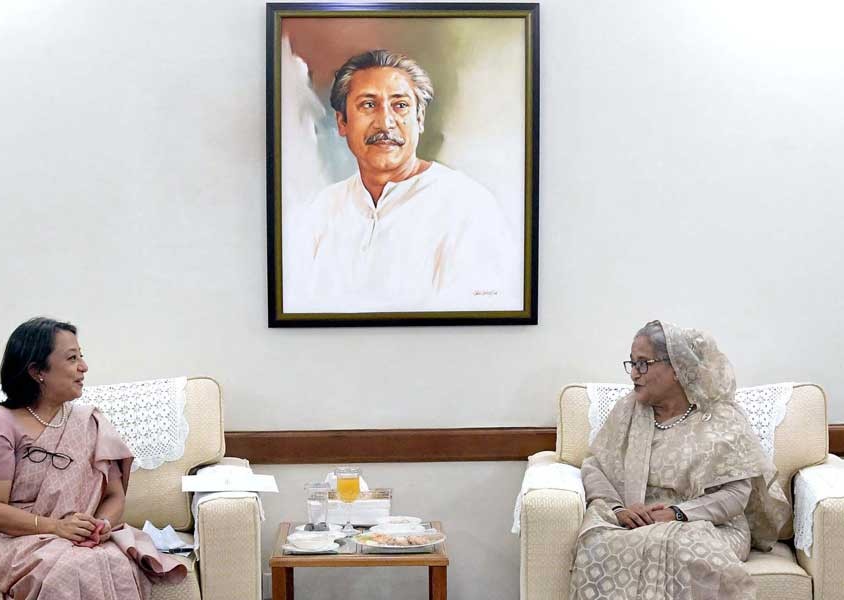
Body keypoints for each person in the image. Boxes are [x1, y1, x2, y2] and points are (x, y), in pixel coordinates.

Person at [570, 320, 791, 599]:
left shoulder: (721, 418)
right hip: (636, 520)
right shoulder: (628, 410)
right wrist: (618, 509)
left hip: (707, 526)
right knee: (596, 545)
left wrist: (677, 514)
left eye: (643, 363)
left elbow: (736, 495)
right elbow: (595, 465)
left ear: (675, 367)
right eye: (632, 363)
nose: (634, 374)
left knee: (681, 547)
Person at [290, 49, 521, 313]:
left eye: (400, 106)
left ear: (419, 119)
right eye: (368, 105)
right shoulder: (321, 210)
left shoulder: (468, 207)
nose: (385, 123)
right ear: (342, 122)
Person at [0, 317, 185, 599]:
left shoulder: (89, 422)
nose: (84, 367)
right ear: (37, 371)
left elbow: (114, 496)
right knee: (72, 569)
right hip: (15, 539)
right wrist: (57, 528)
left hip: (78, 539)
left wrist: (101, 526)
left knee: (113, 562)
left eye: (81, 357)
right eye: (72, 359)